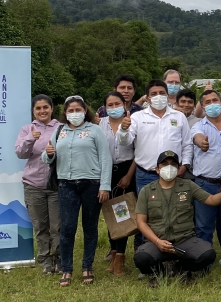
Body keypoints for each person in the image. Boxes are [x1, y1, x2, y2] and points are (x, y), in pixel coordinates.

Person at [42, 95, 112, 286]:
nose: (74, 113)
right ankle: (67, 269)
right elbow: (46, 156)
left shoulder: (95, 130)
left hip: (91, 184)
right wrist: (48, 154)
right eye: (70, 110)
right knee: (67, 228)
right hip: (66, 185)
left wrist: (105, 185)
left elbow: (106, 159)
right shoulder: (59, 131)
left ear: (85, 111)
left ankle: (87, 267)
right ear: (65, 113)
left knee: (90, 228)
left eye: (78, 110)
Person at [134, 150, 221, 288]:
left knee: (207, 254)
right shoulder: (147, 190)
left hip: (185, 240)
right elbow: (140, 222)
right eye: (164, 164)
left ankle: (182, 269)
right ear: (157, 169)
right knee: (141, 258)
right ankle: (160, 273)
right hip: (157, 241)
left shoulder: (188, 186)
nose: (169, 167)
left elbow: (210, 199)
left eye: (173, 164)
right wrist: (157, 241)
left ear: (179, 169)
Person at [118, 79, 194, 249]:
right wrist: (123, 129)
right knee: (146, 215)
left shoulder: (178, 117)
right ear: (147, 97)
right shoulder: (137, 117)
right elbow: (125, 142)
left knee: (174, 213)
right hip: (146, 175)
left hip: (173, 174)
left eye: (162, 93)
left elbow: (187, 144)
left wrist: (185, 164)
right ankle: (145, 252)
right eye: (154, 94)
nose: (158, 96)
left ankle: (174, 252)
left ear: (168, 95)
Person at [188, 89, 221, 271]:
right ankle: (203, 265)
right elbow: (197, 138)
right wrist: (203, 143)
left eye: (215, 100)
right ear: (202, 106)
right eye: (207, 102)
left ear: (220, 101)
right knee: (204, 227)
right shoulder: (198, 126)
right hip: (204, 184)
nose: (212, 104)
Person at [14, 95, 62, 274]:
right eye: (38, 108)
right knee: (40, 226)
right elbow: (20, 153)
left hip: (56, 185)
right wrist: (30, 139)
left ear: (51, 109)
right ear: (33, 111)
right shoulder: (27, 129)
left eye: (45, 107)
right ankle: (44, 260)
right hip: (33, 185)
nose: (42, 111)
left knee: (57, 226)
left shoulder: (60, 128)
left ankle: (59, 259)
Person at [98, 92, 137, 276]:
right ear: (105, 107)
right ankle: (113, 255)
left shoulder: (132, 121)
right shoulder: (100, 124)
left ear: (124, 104)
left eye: (117, 104)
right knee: (109, 214)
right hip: (105, 172)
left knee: (122, 214)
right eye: (110, 104)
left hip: (126, 171)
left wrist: (129, 175)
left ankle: (120, 257)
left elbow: (140, 151)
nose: (114, 107)